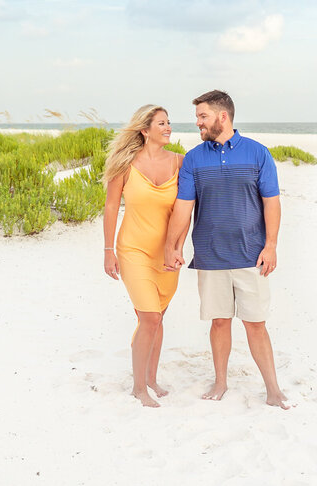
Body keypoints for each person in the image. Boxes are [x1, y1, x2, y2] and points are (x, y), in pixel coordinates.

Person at [164, 89, 288, 409]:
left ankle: (273, 388)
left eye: (202, 116)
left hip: (251, 254)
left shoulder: (258, 153)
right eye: (197, 117)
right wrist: (172, 245)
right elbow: (183, 206)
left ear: (223, 117)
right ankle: (220, 382)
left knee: (256, 323)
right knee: (219, 321)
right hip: (210, 253)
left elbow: (271, 203)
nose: (197, 123)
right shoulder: (194, 158)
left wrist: (271, 246)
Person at [103, 104, 185, 408]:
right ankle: (139, 388)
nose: (168, 128)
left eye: (168, 123)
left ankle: (151, 378)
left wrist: (177, 247)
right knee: (149, 316)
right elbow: (111, 207)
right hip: (133, 250)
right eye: (161, 123)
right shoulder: (125, 164)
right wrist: (108, 250)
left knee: (157, 317)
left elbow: (185, 209)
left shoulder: (181, 162)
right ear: (144, 129)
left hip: (165, 254)